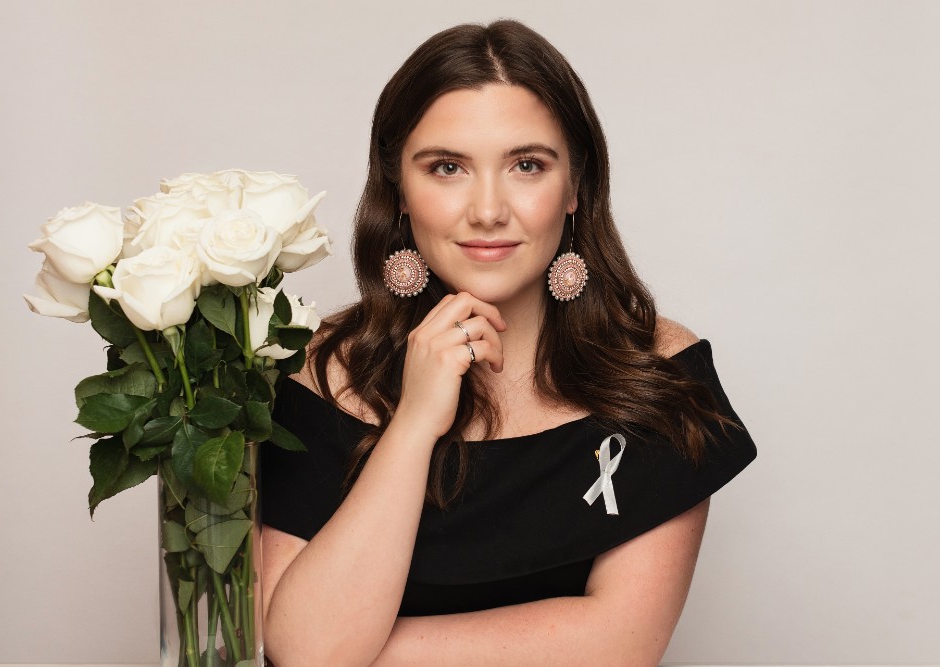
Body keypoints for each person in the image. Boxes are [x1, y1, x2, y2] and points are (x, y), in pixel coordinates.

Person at [259, 19, 756, 667]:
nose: (488, 209)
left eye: (526, 165)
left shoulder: (658, 373)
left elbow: (619, 645)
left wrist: (368, 648)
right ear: (400, 193)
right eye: (447, 167)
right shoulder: (318, 371)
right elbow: (306, 649)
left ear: (575, 187)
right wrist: (413, 423)